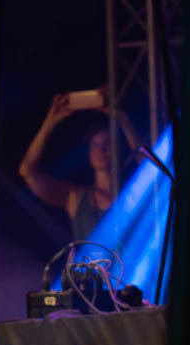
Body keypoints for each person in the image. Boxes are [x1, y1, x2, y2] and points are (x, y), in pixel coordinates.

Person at [18, 89, 140, 241]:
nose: (101, 150)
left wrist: (121, 117)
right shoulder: (76, 197)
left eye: (107, 144)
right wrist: (50, 122)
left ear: (118, 150)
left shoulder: (133, 192)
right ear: (89, 153)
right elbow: (27, 171)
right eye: (95, 145)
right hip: (90, 265)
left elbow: (153, 168)